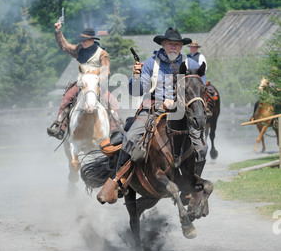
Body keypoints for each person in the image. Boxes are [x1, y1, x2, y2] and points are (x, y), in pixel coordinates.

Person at [97, 27, 208, 204]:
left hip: (182, 113)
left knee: (202, 148)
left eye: (177, 45)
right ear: (163, 44)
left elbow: (198, 88)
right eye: (170, 44)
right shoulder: (151, 64)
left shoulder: (190, 65)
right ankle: (118, 181)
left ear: (181, 47)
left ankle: (190, 188)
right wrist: (136, 75)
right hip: (153, 110)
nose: (174, 47)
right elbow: (136, 91)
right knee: (132, 137)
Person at [47, 22, 122, 139]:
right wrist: (58, 32)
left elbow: (105, 71)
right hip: (81, 83)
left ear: (92, 39)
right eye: (82, 40)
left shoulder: (102, 54)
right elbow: (65, 46)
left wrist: (95, 80)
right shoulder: (78, 49)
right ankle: (60, 127)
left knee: (113, 103)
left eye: (85, 40)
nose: (83, 42)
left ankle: (115, 130)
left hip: (96, 84)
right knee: (66, 99)